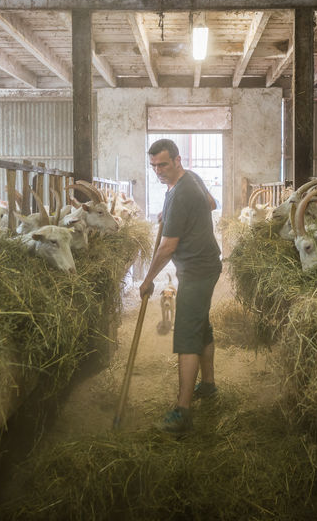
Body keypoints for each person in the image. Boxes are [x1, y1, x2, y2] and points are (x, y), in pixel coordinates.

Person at [140, 138, 222, 433]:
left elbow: (166, 248)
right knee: (201, 325)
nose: (158, 171)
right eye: (153, 166)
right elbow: (211, 203)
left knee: (187, 335)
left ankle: (182, 413)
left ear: (177, 160)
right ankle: (209, 386)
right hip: (208, 264)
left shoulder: (180, 194)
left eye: (163, 164)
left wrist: (148, 280)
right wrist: (175, 216)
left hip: (197, 270)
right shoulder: (191, 179)